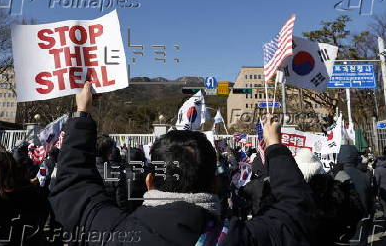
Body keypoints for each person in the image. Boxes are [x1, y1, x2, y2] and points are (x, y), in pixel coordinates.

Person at [49, 82, 315, 246]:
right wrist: (274, 145)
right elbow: (296, 208)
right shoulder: (246, 238)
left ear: (149, 181)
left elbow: (73, 186)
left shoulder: (114, 233)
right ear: (214, 184)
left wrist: (82, 114)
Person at [334, 145, 374, 246]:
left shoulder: (333, 175)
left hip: (339, 221)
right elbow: (370, 202)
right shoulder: (364, 176)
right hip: (360, 219)